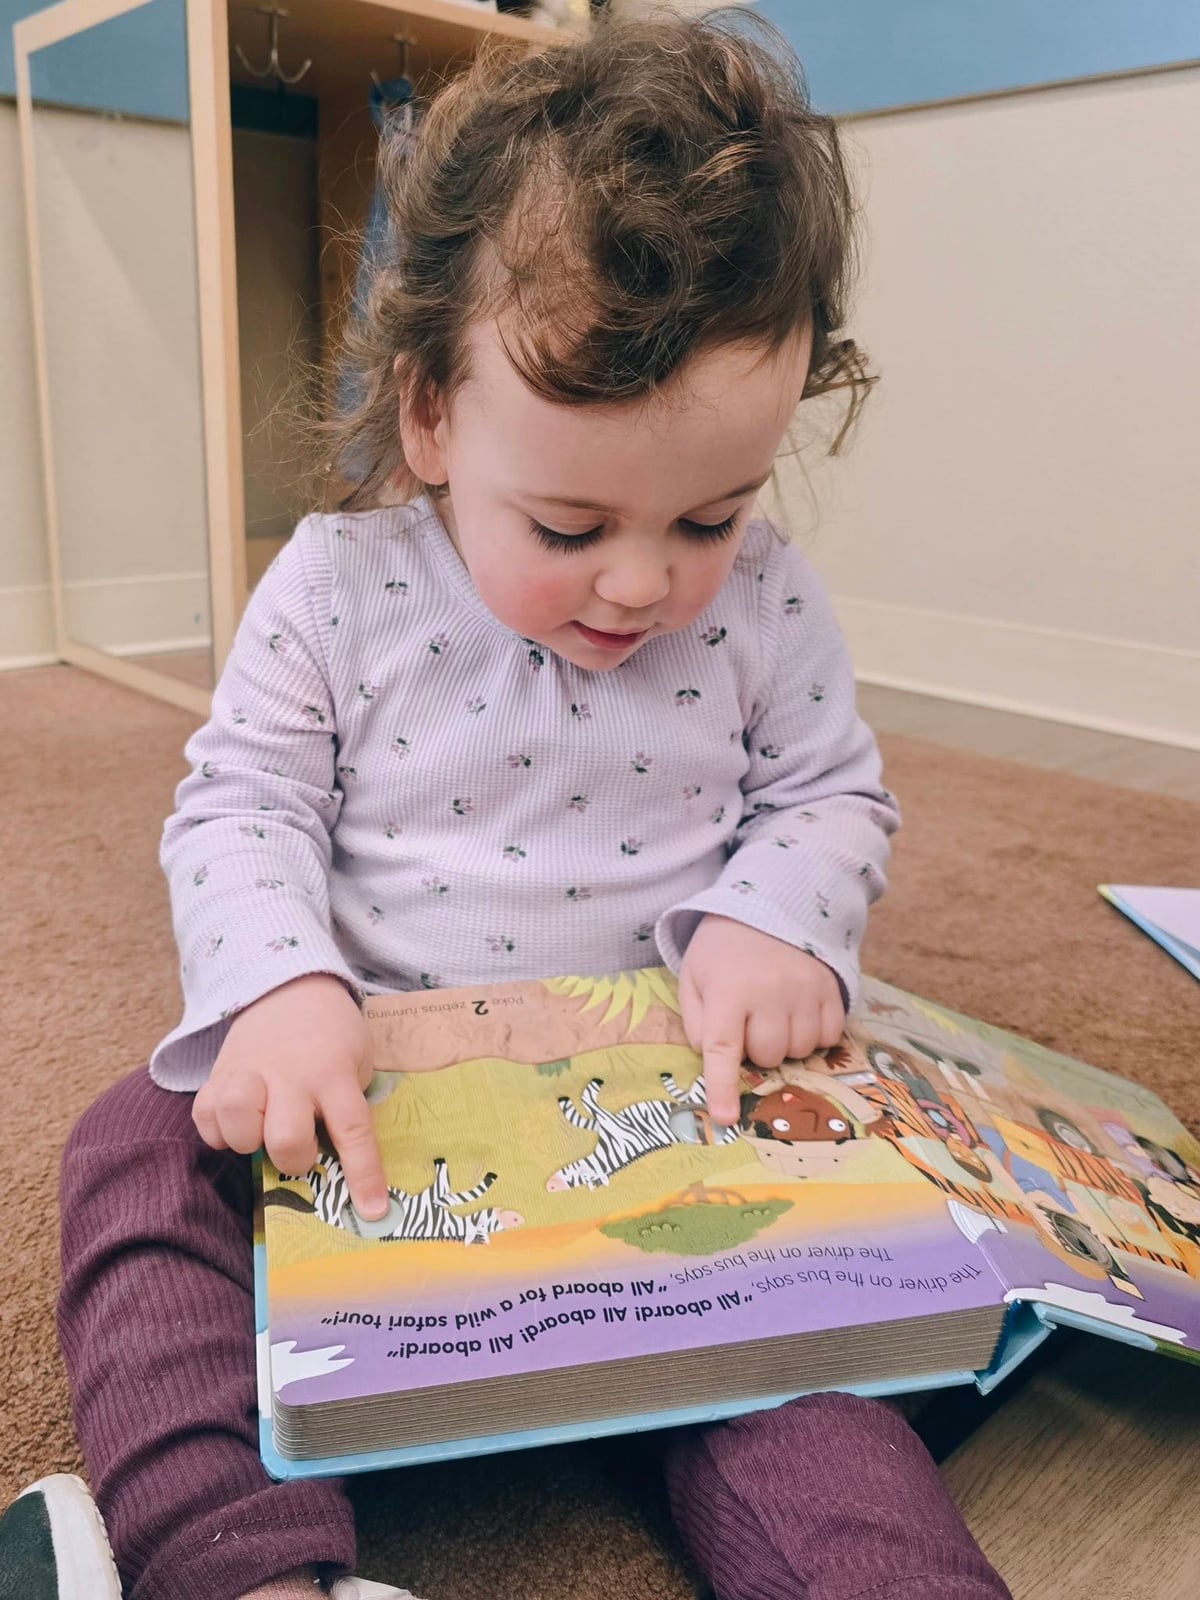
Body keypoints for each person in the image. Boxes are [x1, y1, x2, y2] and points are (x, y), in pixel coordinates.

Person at [12, 13, 1011, 1599]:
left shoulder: (766, 602)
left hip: (669, 1141)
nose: (642, 579)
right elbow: (239, 802)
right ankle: (240, 1570)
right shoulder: (341, 588)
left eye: (708, 513)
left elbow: (828, 793)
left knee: (805, 1393)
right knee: (133, 1148)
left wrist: (774, 917)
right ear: (428, 417)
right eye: (565, 521)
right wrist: (281, 990)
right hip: (377, 1119)